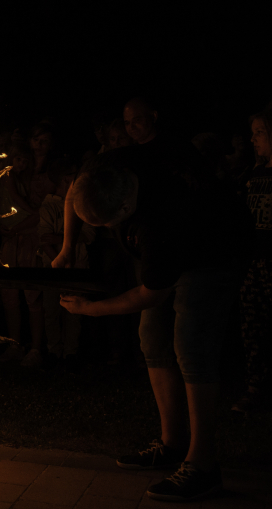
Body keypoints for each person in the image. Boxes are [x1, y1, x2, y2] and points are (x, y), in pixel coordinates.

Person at [53, 142, 252, 501]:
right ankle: (173, 444)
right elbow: (73, 192)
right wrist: (68, 246)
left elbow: (149, 294)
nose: (102, 232)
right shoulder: (104, 167)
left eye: (106, 224)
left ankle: (203, 465)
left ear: (126, 208)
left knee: (191, 343)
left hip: (214, 248)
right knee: (152, 338)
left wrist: (88, 308)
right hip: (174, 245)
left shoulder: (162, 218)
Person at [36, 159, 95, 367]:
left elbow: (89, 234)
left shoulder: (81, 202)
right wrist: (58, 259)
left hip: (78, 265)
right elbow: (44, 238)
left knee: (75, 310)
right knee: (51, 309)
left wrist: (58, 239)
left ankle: (71, 352)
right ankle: (54, 351)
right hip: (53, 268)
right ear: (64, 179)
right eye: (72, 175)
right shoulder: (48, 206)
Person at [232, 109, 272, 412]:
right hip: (253, 263)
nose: (253, 138)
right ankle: (256, 388)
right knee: (253, 329)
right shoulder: (252, 175)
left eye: (259, 132)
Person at [0, 142, 45, 367]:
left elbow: (37, 217)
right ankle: (15, 345)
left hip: (26, 243)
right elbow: (13, 200)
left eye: (25, 161)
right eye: (19, 159)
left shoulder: (31, 183)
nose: (21, 164)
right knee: (10, 297)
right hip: (10, 242)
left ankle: (36, 348)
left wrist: (19, 226)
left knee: (32, 295)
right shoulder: (6, 178)